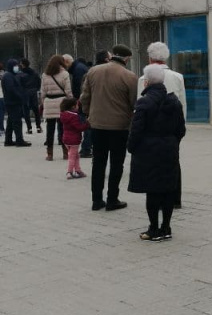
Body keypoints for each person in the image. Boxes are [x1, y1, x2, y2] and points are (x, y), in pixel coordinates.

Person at [128, 65, 186, 240]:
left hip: (148, 152)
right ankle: (166, 227)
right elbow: (181, 129)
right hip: (169, 150)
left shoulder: (144, 102)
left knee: (152, 191)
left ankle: (153, 229)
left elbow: (136, 130)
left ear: (146, 81)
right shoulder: (174, 102)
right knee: (168, 190)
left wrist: (131, 147)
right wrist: (172, 142)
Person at [80, 44, 138, 211]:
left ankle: (96, 200)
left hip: (97, 124)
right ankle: (112, 199)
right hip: (119, 126)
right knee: (116, 163)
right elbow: (134, 102)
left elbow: (85, 97)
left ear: (113, 55)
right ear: (126, 58)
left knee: (98, 162)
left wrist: (88, 114)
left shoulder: (93, 71)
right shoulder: (129, 76)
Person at [40, 55, 72, 162]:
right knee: (63, 128)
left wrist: (43, 102)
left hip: (49, 102)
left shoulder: (45, 75)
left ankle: (50, 154)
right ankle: (65, 153)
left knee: (50, 129)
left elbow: (43, 91)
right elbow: (68, 91)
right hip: (62, 102)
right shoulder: (65, 74)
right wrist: (71, 102)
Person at [1, 58, 31, 147]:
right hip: (13, 102)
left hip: (11, 102)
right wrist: (20, 96)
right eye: (15, 66)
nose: (17, 67)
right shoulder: (8, 76)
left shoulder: (11, 75)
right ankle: (19, 140)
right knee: (17, 121)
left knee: (11, 122)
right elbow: (11, 89)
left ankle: (8, 140)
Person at [59, 96, 89, 179]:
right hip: (74, 140)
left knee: (75, 155)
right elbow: (79, 128)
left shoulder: (64, 115)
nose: (78, 107)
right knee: (72, 156)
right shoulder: (74, 116)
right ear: (73, 107)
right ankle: (70, 171)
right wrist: (87, 123)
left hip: (66, 138)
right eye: (77, 105)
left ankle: (78, 170)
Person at [19, 58, 42, 135]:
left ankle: (29, 128)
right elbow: (39, 82)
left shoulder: (21, 74)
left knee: (26, 111)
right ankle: (38, 127)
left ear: (23, 64)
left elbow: (19, 84)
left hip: (25, 93)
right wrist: (36, 89)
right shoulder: (34, 73)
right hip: (33, 92)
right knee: (36, 110)